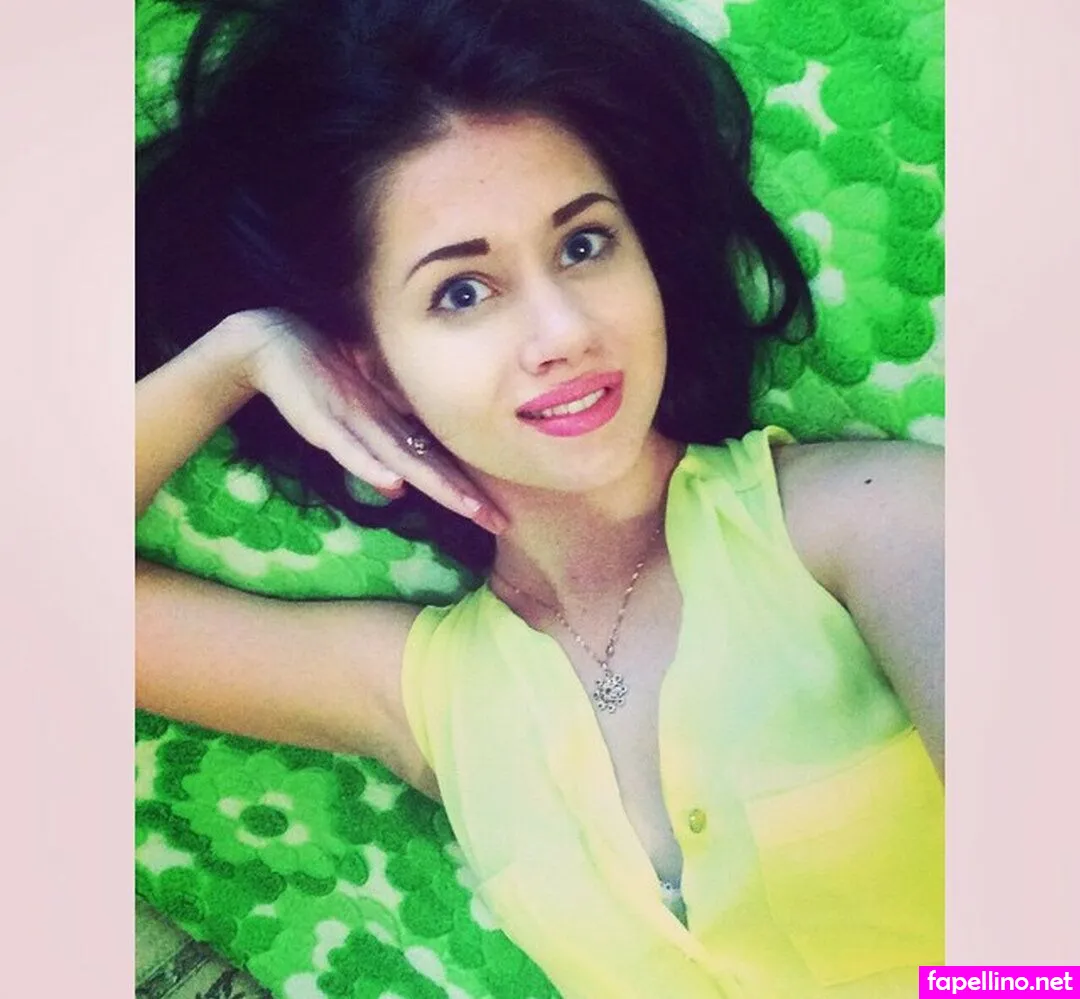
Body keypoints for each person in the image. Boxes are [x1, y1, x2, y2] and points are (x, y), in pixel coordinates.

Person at [135, 0, 945, 995]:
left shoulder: (875, 523)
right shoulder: (427, 696)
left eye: (584, 244)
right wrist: (232, 360)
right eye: (462, 292)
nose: (564, 330)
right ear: (373, 368)